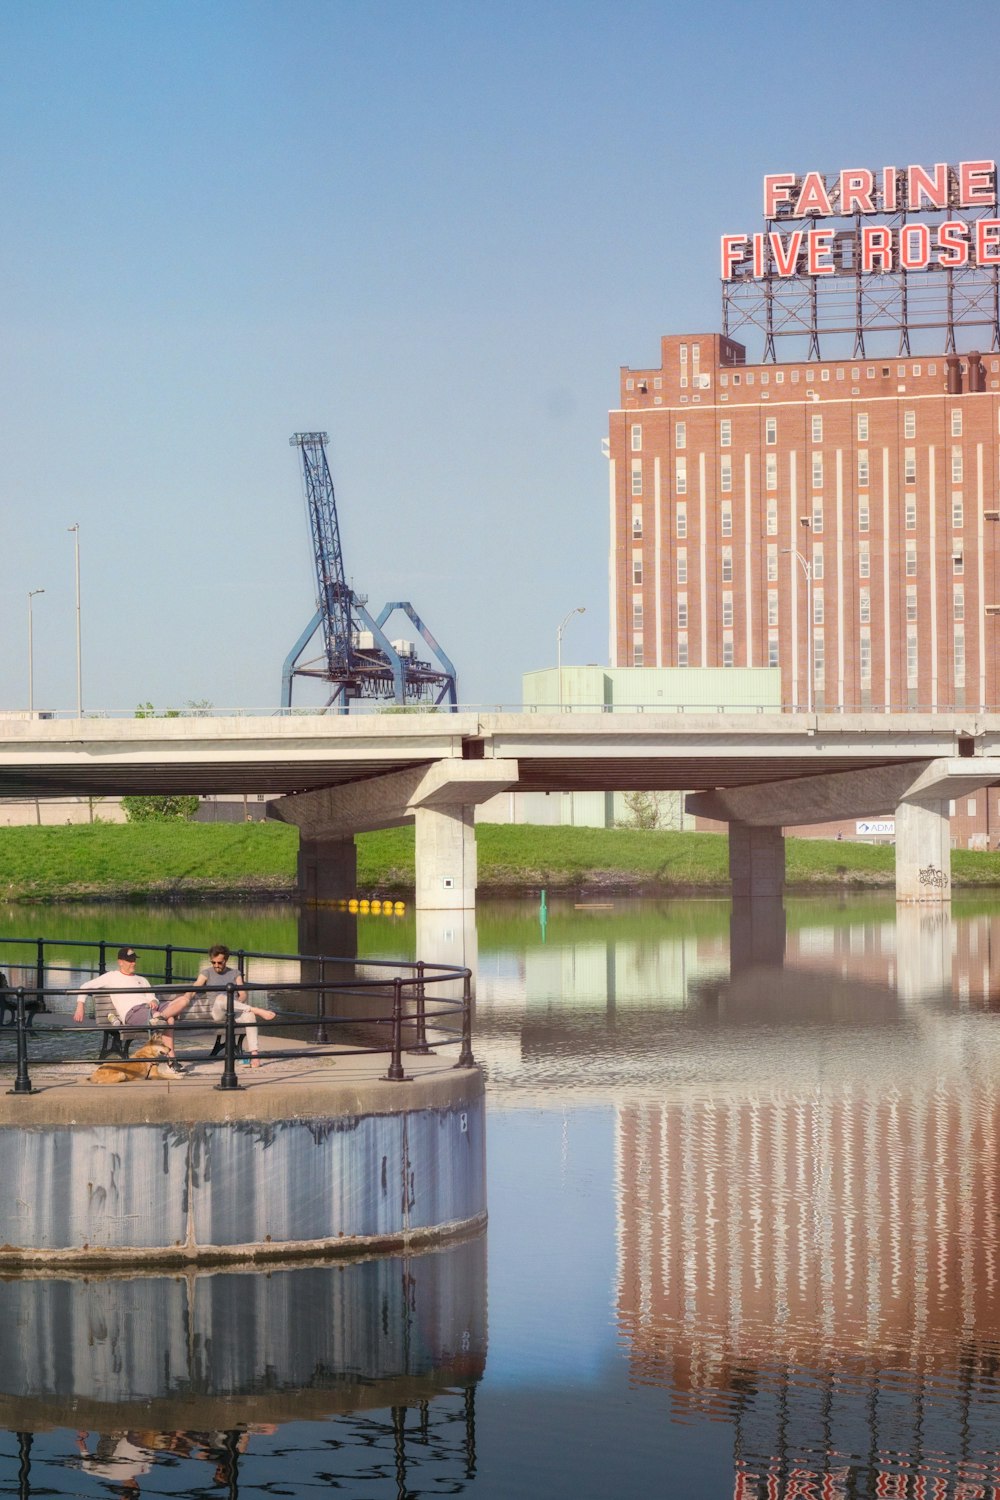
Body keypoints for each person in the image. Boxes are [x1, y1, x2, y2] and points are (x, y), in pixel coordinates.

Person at [73, 946, 187, 1074]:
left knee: (183, 1000)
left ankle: (159, 1017)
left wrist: (154, 1001)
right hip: (134, 1012)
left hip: (151, 1009)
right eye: (130, 960)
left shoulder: (142, 980)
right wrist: (80, 1005)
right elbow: (85, 986)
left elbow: (152, 997)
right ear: (120, 962)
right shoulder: (111, 977)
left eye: (134, 960)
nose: (133, 963)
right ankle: (172, 1061)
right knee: (170, 1019)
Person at [171, 944, 275, 1068]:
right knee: (221, 998)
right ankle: (255, 1009)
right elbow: (195, 988)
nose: (216, 965)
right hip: (218, 1012)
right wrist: (183, 1001)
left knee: (249, 1016)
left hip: (234, 1010)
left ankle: (254, 1055)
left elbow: (243, 994)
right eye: (213, 962)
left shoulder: (235, 973)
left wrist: (238, 1003)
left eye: (219, 963)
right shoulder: (206, 973)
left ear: (225, 960)